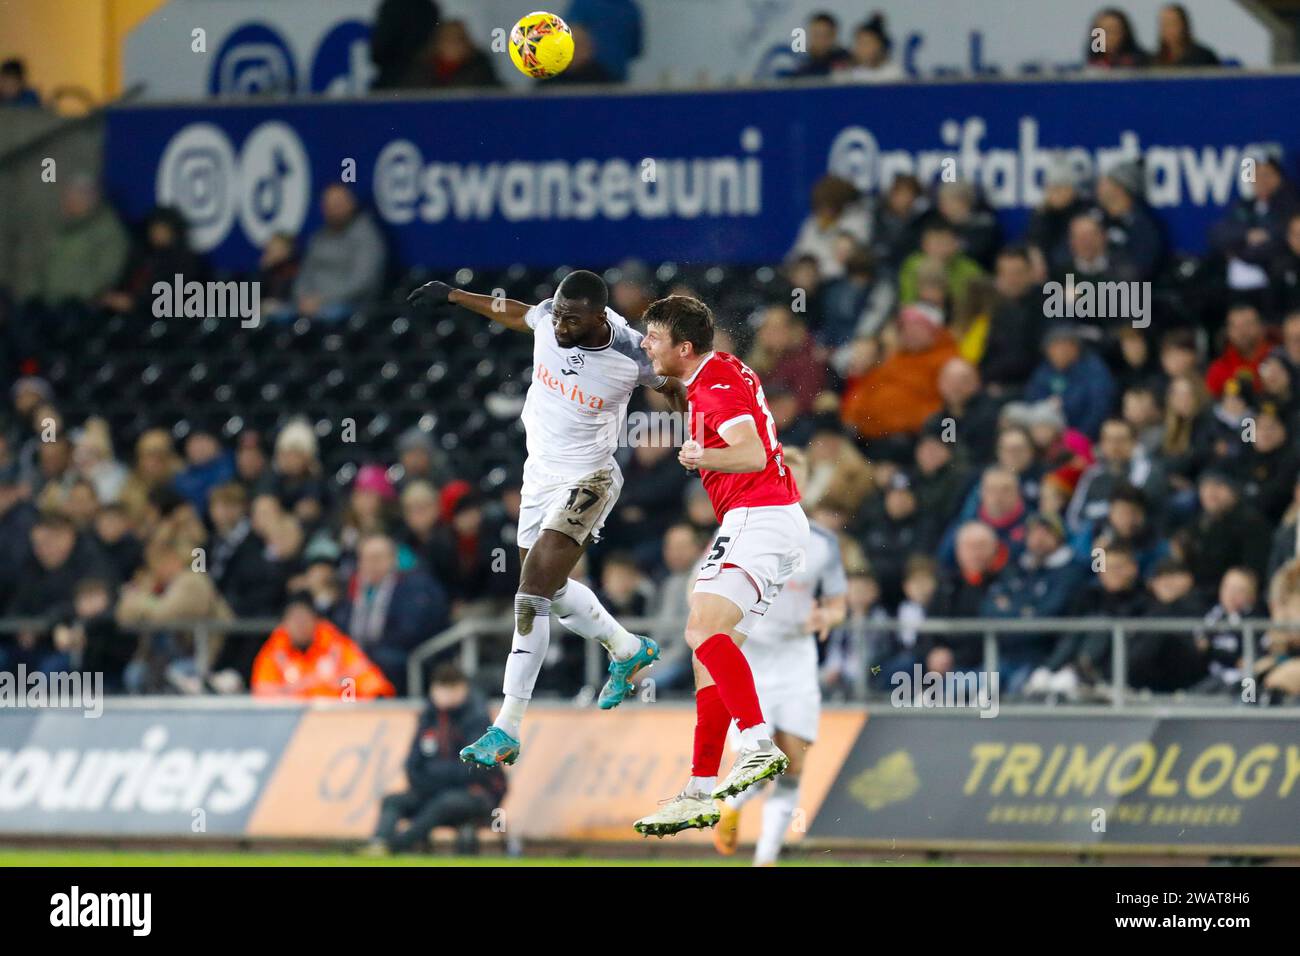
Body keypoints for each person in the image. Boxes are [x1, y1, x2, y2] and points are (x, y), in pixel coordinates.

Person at [406, 270, 685, 765]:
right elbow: (514, 311)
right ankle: (625, 647)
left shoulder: (631, 351)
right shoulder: (550, 320)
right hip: (538, 478)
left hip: (590, 477)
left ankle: (506, 726)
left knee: (529, 594)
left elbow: (673, 384)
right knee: (549, 593)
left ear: (599, 318)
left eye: (572, 321)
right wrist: (452, 295)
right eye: (557, 315)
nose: (559, 327)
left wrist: (698, 433)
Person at [632, 294, 810, 836]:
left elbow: (752, 453)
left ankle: (757, 743)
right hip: (770, 520)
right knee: (710, 653)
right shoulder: (718, 369)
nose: (646, 345)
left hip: (758, 515)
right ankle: (700, 790)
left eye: (655, 337)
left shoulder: (710, 387)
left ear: (684, 347)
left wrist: (700, 455)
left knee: (700, 628)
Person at [711, 448, 845, 865]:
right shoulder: (741, 527)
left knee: (795, 763)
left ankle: (765, 858)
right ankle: (732, 806)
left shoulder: (823, 543)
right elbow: (701, 589)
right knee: (761, 758)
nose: (790, 476)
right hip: (749, 654)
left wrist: (830, 614)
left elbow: (839, 601)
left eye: (798, 471)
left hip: (797, 655)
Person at [367, 663, 504, 855]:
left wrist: (436, 773)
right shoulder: (428, 717)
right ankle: (378, 843)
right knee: (393, 801)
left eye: (450, 690)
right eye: (440, 689)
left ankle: (394, 847)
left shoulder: (478, 719)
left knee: (444, 803)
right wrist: (433, 779)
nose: (444, 695)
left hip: (478, 796)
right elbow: (413, 765)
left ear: (462, 689)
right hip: (433, 790)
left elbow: (477, 768)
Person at [251, 592, 394, 699]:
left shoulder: (336, 647)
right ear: (285, 623)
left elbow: (360, 678)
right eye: (295, 619)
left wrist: (347, 704)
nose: (300, 625)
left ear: (315, 620)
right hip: (292, 726)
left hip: (335, 722)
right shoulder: (274, 654)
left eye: (305, 618)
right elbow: (264, 694)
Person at [291, 184, 386, 321]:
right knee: (270, 316)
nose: (334, 210)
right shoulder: (319, 238)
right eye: (329, 206)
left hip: (351, 306)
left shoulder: (367, 237)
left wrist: (322, 300)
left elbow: (362, 282)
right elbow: (304, 275)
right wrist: (303, 298)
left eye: (338, 204)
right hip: (310, 304)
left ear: (351, 204)